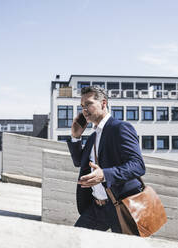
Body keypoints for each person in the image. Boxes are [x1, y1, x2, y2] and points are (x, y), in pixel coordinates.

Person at [67, 86, 146, 234]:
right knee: (73, 240)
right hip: (97, 208)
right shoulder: (93, 135)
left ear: (103, 103)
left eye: (89, 104)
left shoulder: (120, 128)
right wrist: (75, 137)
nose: (85, 110)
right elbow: (79, 162)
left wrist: (104, 174)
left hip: (120, 206)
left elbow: (138, 166)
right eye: (82, 106)